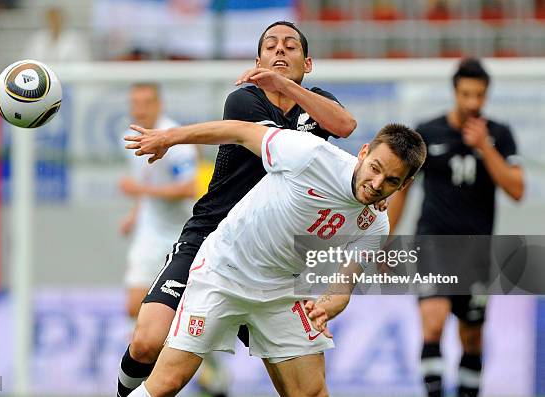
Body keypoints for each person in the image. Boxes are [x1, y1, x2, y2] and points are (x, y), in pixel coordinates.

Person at [115, 21, 358, 397]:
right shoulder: (244, 100)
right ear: (257, 59)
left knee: (306, 391)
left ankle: (214, 369)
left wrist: (287, 87)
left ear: (307, 63)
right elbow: (281, 152)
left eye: (290, 47)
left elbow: (344, 125)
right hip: (211, 239)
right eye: (271, 46)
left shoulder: (319, 102)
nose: (280, 51)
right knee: (147, 341)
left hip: (273, 259)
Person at [124, 119, 427, 397]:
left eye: (390, 180)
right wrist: (170, 137)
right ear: (363, 152)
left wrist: (325, 306)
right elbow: (240, 131)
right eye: (375, 168)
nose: (376, 185)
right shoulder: (311, 155)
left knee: (311, 393)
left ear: (404, 185)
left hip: (282, 290)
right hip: (224, 271)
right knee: (167, 383)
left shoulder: (376, 224)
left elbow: (342, 288)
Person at [388, 58, 524, 397]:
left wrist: (485, 148)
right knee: (433, 323)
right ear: (455, 92)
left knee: (472, 336)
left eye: (479, 96)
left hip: (476, 250)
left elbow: (517, 190)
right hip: (432, 244)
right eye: (466, 95)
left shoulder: (500, 135)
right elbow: (402, 192)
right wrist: (383, 241)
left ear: (486, 95)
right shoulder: (427, 132)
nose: (472, 103)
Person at [118, 83, 197, 318]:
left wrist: (140, 189)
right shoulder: (131, 139)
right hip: (150, 231)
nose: (140, 110)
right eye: (135, 104)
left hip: (182, 232)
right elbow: (146, 179)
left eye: (147, 103)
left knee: (183, 313)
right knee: (134, 306)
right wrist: (134, 215)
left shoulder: (175, 140)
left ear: (159, 105)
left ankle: (190, 353)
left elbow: (190, 188)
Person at [24, 6, 91, 63]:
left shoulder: (76, 38)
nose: (54, 22)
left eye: (57, 18)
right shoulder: (37, 38)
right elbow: (28, 60)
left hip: (70, 76)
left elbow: (83, 62)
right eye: (51, 19)